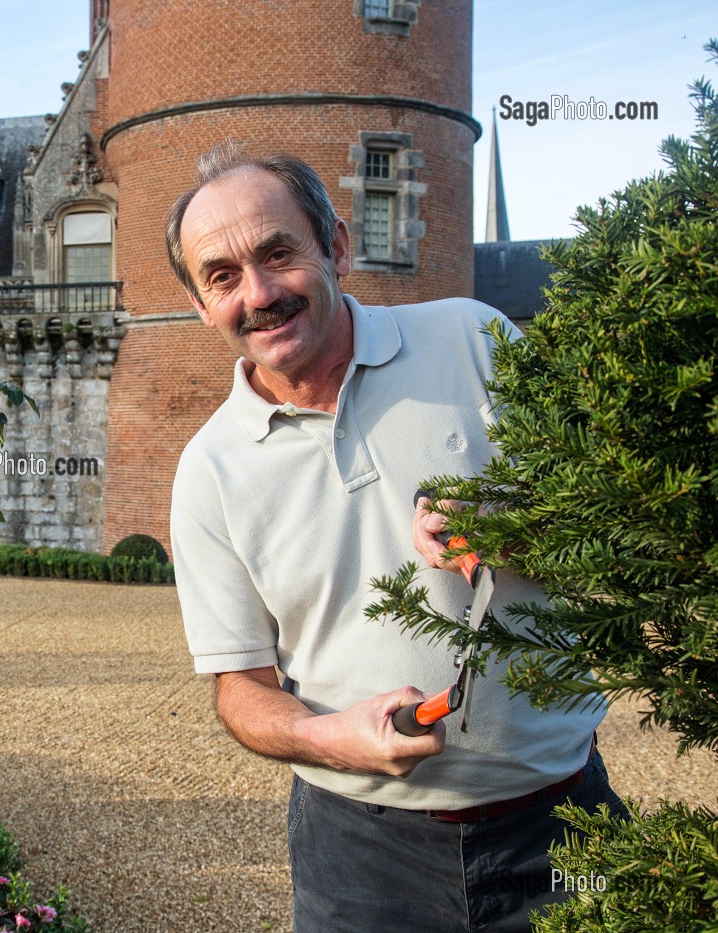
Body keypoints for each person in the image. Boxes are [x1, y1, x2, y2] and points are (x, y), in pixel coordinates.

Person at [166, 144, 626, 931]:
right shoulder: (208, 471)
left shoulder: (474, 340)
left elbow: (617, 511)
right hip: (361, 860)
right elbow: (240, 688)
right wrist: (329, 737)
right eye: (223, 276)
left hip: (564, 832)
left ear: (338, 245)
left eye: (280, 252)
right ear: (203, 307)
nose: (261, 293)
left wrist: (517, 527)